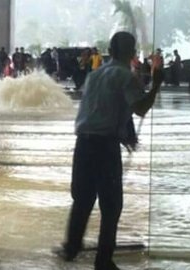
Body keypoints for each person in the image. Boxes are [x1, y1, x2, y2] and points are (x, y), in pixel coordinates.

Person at [55, 32, 164, 270]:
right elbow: (140, 108)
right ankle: (103, 262)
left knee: (82, 200)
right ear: (131, 51)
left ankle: (70, 249)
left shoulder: (95, 75)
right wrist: (156, 85)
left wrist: (126, 134)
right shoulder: (127, 77)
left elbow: (104, 107)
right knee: (111, 206)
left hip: (83, 144)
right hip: (105, 148)